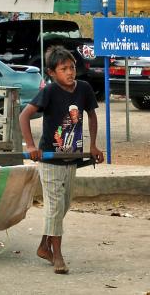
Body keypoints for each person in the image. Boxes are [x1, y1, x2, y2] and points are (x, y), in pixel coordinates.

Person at [19, 45, 104, 274]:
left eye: (72, 67)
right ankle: (57, 255)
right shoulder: (49, 91)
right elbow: (24, 116)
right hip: (50, 160)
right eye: (64, 68)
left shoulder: (84, 88)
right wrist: (31, 146)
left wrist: (93, 144)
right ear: (51, 73)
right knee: (55, 207)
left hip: (71, 158)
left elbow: (92, 115)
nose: (69, 72)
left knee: (63, 206)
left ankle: (43, 246)